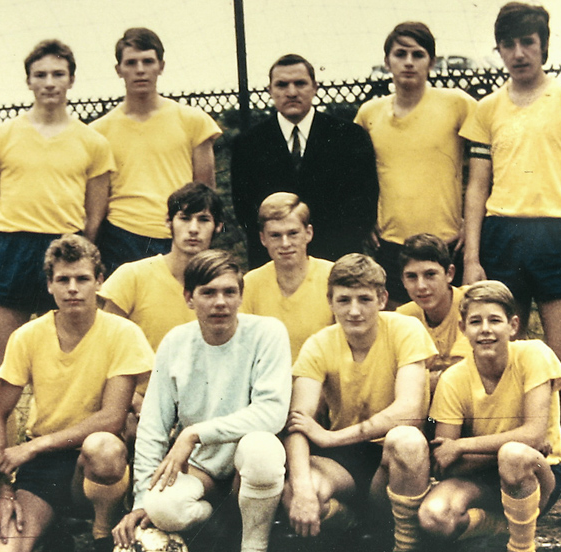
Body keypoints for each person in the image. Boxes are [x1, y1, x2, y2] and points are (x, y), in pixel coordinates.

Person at [460, 2, 561, 534]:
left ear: (543, 45)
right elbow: (477, 187)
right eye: (509, 44)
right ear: (499, 50)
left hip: (556, 238)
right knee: (499, 366)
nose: (519, 52)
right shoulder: (486, 110)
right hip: (504, 239)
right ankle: (514, 480)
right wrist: (473, 258)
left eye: (529, 42)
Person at [113, 250, 292, 552]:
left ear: (241, 294)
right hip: (204, 468)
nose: (220, 302)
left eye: (229, 291)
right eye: (208, 292)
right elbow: (152, 424)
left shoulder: (268, 333)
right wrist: (139, 502)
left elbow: (272, 413)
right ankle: (221, 530)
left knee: (262, 450)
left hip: (248, 459)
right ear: (189, 298)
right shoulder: (176, 342)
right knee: (161, 507)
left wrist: (194, 433)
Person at [0, 235, 153, 552]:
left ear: (99, 282)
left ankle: (101, 539)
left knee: (104, 448)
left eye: (82, 279)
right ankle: (51, 539)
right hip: (43, 471)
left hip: (92, 465)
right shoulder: (27, 336)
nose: (73, 289)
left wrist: (33, 446)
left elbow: (112, 417)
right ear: (49, 285)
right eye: (63, 280)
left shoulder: (124, 333)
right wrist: (3, 491)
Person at [0, 39, 115, 444]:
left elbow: (94, 216)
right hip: (8, 251)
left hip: (64, 254)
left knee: (67, 364)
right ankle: (2, 466)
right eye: (41, 75)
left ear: (71, 80)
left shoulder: (93, 142)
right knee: (2, 367)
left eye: (58, 74)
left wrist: (70, 258)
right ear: (28, 81)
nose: (49, 83)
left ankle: (57, 459)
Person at [414, 280, 561, 552]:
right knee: (434, 516)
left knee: (515, 455)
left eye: (494, 320)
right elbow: (445, 462)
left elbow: (533, 434)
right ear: (462, 328)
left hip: (536, 475)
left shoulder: (534, 354)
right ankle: (504, 524)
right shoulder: (453, 379)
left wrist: (464, 445)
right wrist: (469, 451)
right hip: (483, 478)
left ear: (513, 325)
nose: (485, 330)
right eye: (475, 321)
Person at [282, 254, 436, 552]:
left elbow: (410, 410)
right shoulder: (318, 343)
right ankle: (354, 529)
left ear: (382, 299)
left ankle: (407, 551)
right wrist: (301, 490)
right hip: (343, 465)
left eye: (364, 299)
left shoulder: (406, 329)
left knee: (407, 440)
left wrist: (332, 437)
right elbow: (299, 422)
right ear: (330, 302)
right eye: (344, 300)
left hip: (392, 460)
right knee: (295, 491)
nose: (354, 310)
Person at [354, 22, 476, 307]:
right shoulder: (369, 113)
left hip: (446, 243)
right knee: (399, 330)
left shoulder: (457, 104)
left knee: (451, 329)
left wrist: (472, 221)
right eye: (400, 54)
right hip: (392, 245)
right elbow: (355, 174)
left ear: (431, 61)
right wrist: (365, 218)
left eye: (418, 54)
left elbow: (492, 156)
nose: (408, 62)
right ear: (387, 61)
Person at [90, 28, 222, 274]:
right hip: (121, 238)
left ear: (161, 66)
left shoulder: (193, 121)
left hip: (178, 234)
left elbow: (206, 191)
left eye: (148, 61)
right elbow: (96, 201)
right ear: (119, 70)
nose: (140, 69)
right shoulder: (98, 132)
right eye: (131, 62)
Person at [232, 54, 378, 268]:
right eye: (282, 85)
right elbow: (245, 211)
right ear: (270, 91)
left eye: (300, 83)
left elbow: (363, 203)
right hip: (274, 261)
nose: (291, 92)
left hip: (336, 258)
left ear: (315, 87)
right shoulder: (248, 144)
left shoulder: (348, 137)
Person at [99, 182, 223, 353]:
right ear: (168, 222)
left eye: (203, 219)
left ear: (218, 226)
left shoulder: (226, 288)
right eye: (185, 218)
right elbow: (106, 345)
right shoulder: (132, 276)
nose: (193, 229)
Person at [240, 192, 334, 360]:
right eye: (275, 235)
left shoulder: (332, 277)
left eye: (293, 233)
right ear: (263, 239)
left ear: (308, 233)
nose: (285, 244)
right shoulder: (250, 284)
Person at [395, 233, 472, 395]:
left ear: (449, 274)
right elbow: (391, 378)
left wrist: (415, 381)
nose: (421, 286)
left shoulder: (471, 303)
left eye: (430, 274)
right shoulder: (403, 317)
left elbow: (465, 375)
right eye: (411, 277)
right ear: (403, 281)